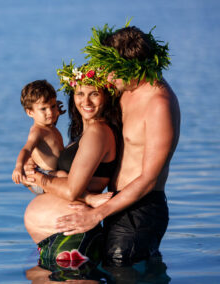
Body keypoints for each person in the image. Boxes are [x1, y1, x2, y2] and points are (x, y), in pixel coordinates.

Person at [55, 25, 181, 267]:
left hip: (141, 209)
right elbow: (87, 103)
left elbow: (148, 179)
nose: (108, 77)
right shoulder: (126, 88)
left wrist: (95, 215)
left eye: (113, 70)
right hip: (115, 204)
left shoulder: (158, 104)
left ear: (133, 67)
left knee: (125, 272)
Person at [23, 62, 122, 269]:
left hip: (71, 237)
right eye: (79, 94)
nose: (85, 100)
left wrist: (38, 177)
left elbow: (71, 190)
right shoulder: (83, 134)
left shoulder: (97, 132)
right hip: (59, 237)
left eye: (94, 94)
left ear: (105, 96)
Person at [11, 79, 65, 195]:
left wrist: (57, 113)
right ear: (30, 113)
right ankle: (87, 197)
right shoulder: (37, 131)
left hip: (51, 173)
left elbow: (51, 128)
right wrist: (19, 167)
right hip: (43, 176)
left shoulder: (48, 126)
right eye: (43, 109)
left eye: (53, 106)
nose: (50, 112)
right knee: (64, 176)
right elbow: (26, 149)